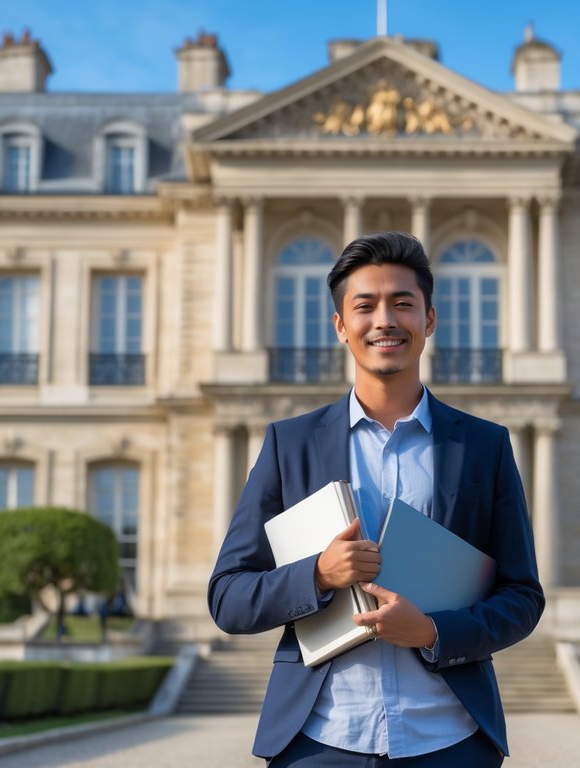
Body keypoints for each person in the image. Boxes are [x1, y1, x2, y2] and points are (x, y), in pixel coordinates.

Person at [208, 232, 543, 766]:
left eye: (403, 304)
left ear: (429, 320)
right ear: (342, 326)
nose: (384, 319)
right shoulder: (288, 445)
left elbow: (523, 596)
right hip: (319, 739)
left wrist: (434, 632)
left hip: (450, 738)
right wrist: (317, 574)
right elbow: (228, 597)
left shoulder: (484, 446)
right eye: (364, 306)